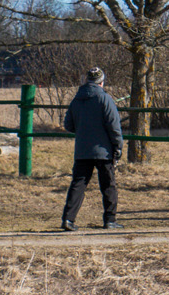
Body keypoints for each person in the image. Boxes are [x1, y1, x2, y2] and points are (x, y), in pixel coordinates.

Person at [60, 67, 124, 231]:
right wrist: (118, 146)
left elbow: (68, 125)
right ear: (102, 82)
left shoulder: (76, 100)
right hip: (103, 150)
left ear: (87, 80)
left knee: (78, 185)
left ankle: (68, 219)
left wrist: (83, 130)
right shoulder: (105, 99)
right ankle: (110, 220)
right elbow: (114, 126)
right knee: (108, 186)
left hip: (82, 150)